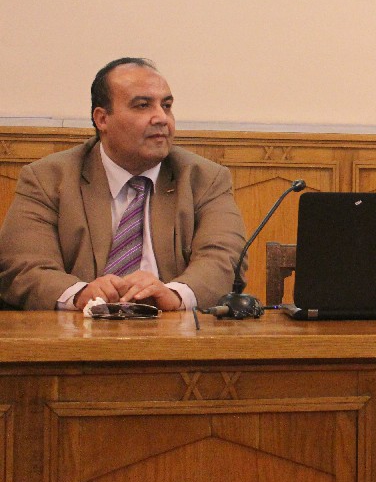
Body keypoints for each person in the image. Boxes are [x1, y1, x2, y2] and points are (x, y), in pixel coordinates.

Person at [0, 57, 247, 311]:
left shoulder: (205, 179)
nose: (161, 118)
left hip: (172, 329)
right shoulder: (48, 179)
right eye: (143, 105)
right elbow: (23, 266)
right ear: (102, 119)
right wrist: (80, 294)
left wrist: (174, 294)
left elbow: (224, 259)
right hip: (77, 331)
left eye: (166, 106)